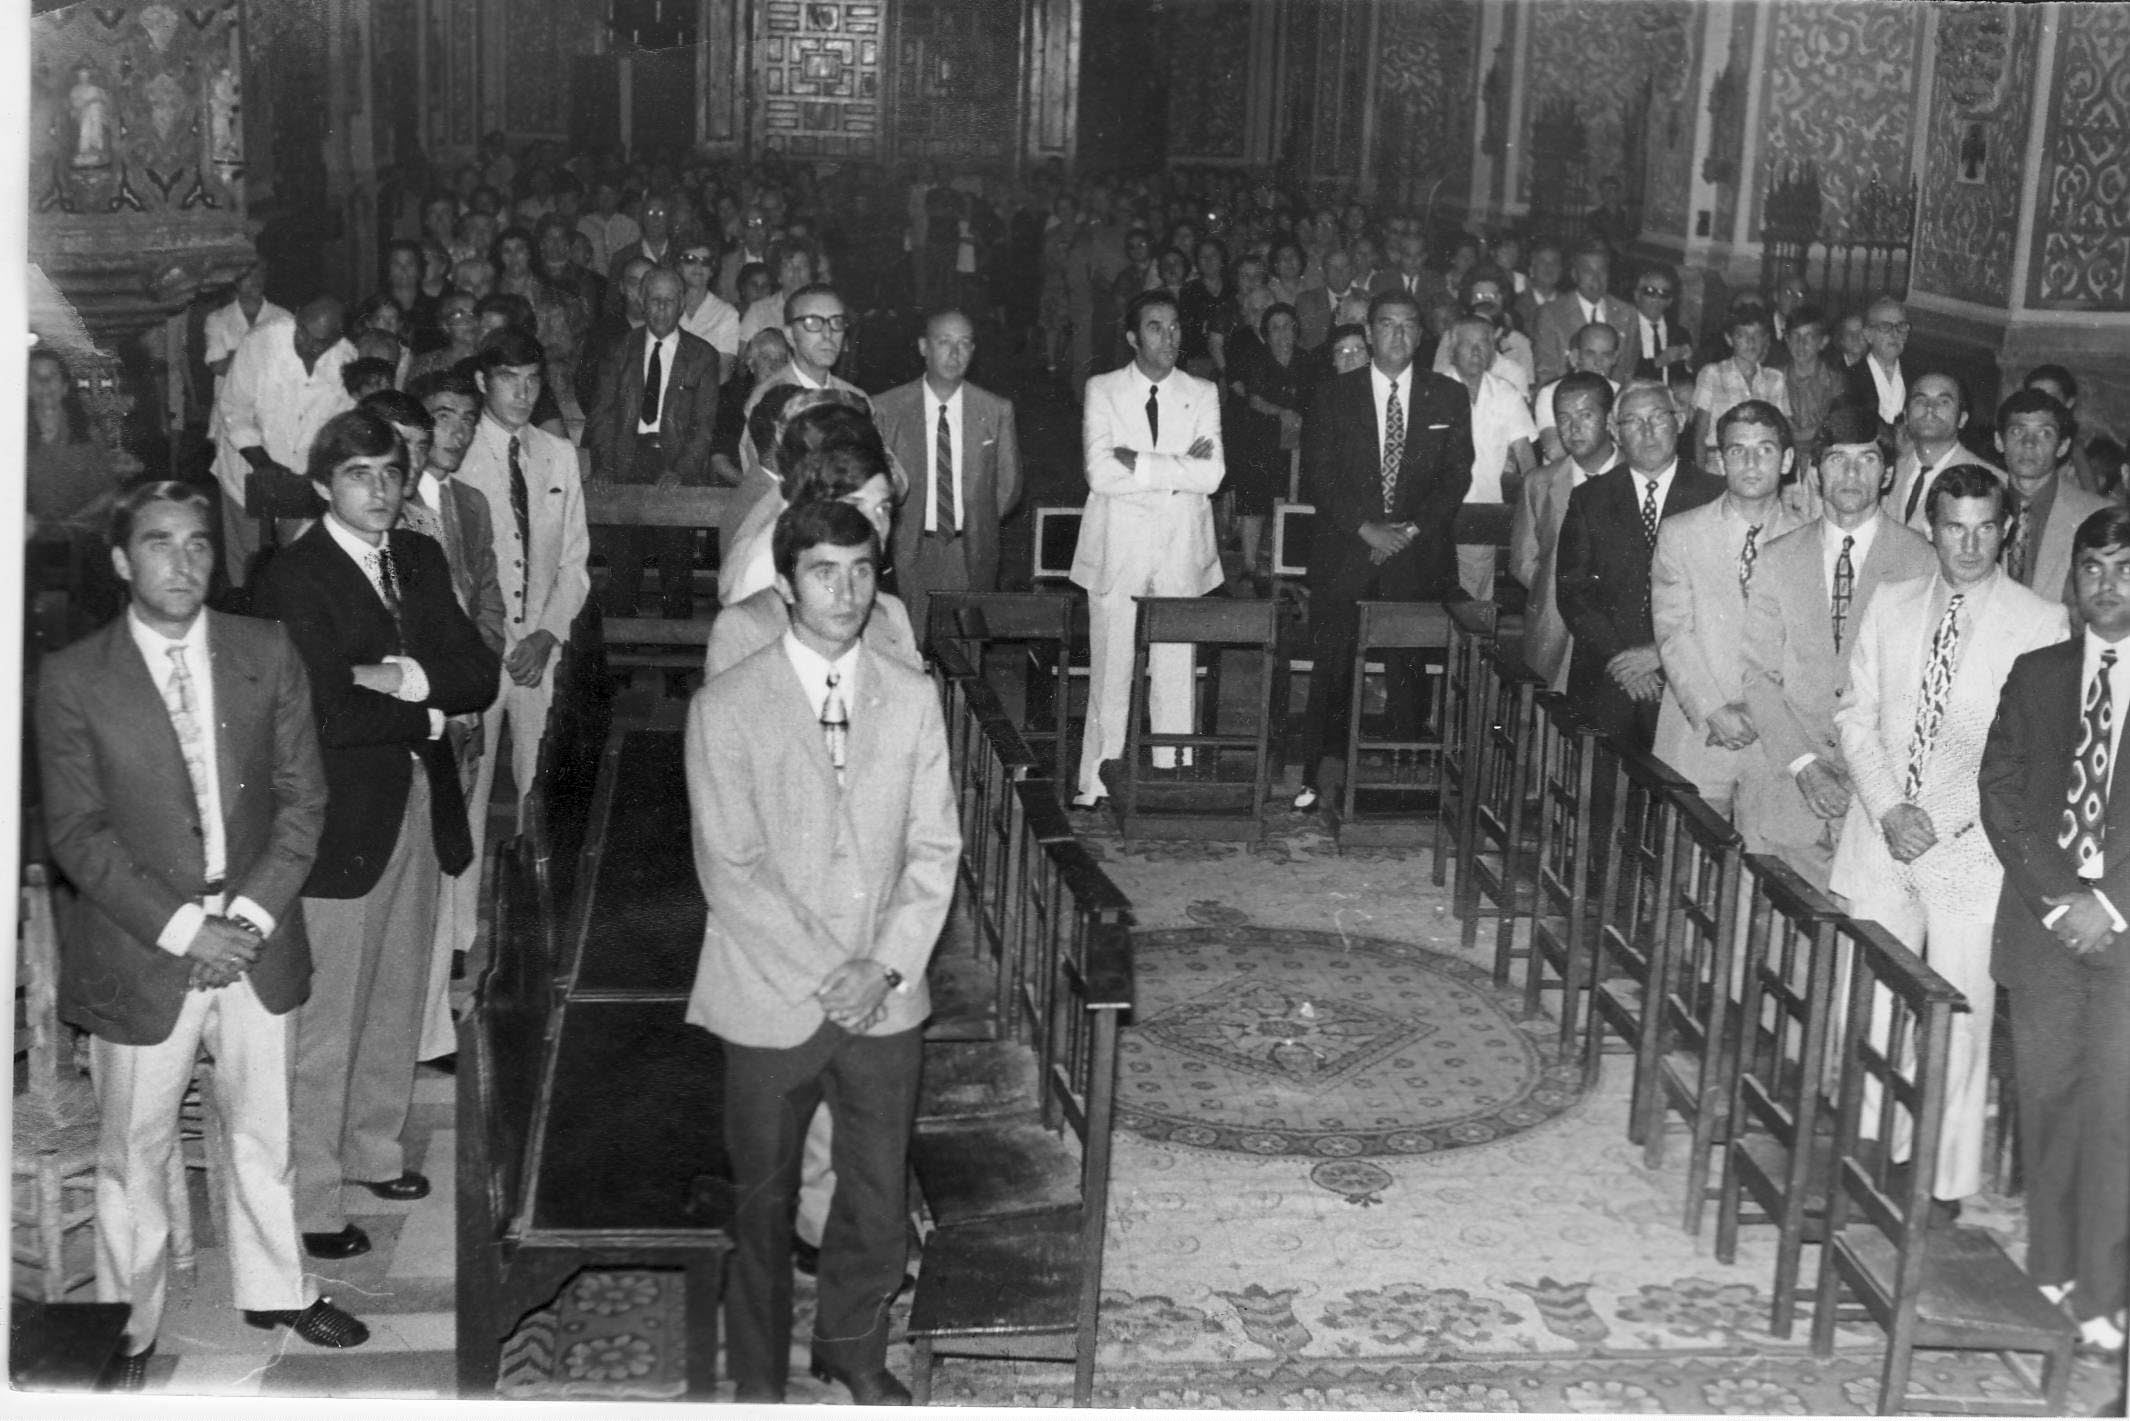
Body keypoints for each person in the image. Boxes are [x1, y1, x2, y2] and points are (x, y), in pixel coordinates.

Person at [36, 481, 370, 1388]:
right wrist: (191, 931)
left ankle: (276, 1286)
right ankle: (128, 1330)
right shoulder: (73, 678)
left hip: (258, 934)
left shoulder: (264, 649)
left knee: (265, 1129)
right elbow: (77, 833)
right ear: (120, 560)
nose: (181, 562)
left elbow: (304, 800)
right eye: (157, 544)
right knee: (132, 1153)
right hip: (144, 947)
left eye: (195, 545)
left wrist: (249, 918)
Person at [684, 498, 959, 1405]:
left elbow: (934, 851)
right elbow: (732, 869)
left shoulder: (912, 698)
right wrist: (829, 974)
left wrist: (881, 965)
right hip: (768, 993)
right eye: (823, 571)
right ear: (786, 582)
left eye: (862, 571)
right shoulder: (728, 704)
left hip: (886, 994)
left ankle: (853, 1348)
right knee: (760, 1206)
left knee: (876, 1199)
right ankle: (759, 1377)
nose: (846, 591)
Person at [250, 410, 500, 1260]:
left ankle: (371, 1150)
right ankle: (313, 1199)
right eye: (360, 473)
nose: (382, 488)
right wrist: (421, 701)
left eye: (392, 471)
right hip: (338, 819)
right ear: (323, 485)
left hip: (417, 800)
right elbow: (323, 710)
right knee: (328, 1020)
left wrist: (399, 677)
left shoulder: (419, 557)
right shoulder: (294, 577)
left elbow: (479, 673)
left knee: (397, 993)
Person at [1830, 463, 2068, 1222]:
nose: (1968, 544)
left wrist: (1956, 820)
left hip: (1972, 848)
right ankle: (1865, 1148)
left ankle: (1938, 1175)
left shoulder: (2039, 623)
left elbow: (2035, 755)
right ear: (1931, 526)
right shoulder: (1893, 604)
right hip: (1882, 834)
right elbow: (1854, 717)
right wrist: (1892, 809)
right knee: (1866, 1007)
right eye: (1954, 526)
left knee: (1960, 1012)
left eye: (1985, 527)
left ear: (2008, 529)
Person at [1979, 505, 2130, 1361]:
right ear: (2071, 583)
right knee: (2049, 1099)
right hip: (2044, 930)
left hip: (2126, 937)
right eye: (2093, 569)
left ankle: (2106, 1290)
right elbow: (2001, 791)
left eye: (2124, 567)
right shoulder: (2036, 674)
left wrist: (2105, 901)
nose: (2108, 585)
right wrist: (2057, 896)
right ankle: (2054, 1262)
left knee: (2117, 1110)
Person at [1737, 402, 1936, 890]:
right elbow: (1758, 676)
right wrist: (1805, 767)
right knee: (1778, 935)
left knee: (1859, 943)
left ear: (1887, 474)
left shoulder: (1921, 560)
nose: (1851, 473)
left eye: (1867, 459)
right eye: (1836, 459)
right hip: (1789, 780)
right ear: (1814, 472)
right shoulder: (1778, 559)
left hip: (1879, 793)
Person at [1291, 290, 1473, 809]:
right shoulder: (1332, 394)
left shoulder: (1447, 396)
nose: (1398, 335)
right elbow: (1319, 477)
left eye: (1409, 325)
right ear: (1368, 333)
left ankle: (1406, 778)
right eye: (1387, 325)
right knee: (1333, 666)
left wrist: (1410, 530)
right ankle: (1317, 779)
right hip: (1347, 551)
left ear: (1422, 334)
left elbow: (1455, 477)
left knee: (1409, 668)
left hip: (1417, 553)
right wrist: (1366, 529)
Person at [371, 378, 506, 1068]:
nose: (416, 463)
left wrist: (466, 681)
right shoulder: (374, 525)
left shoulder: (442, 518)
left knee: (433, 875)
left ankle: (426, 1031)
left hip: (444, 706)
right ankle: (401, 1033)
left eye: (421, 449)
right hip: (390, 726)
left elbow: (475, 604)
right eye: (405, 449)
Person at [1070, 290, 1227, 809]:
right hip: (1119, 549)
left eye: (1176, 327)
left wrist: (1138, 461)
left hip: (1181, 547)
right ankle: (1096, 781)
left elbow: (1212, 474)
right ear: (1134, 336)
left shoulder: (1202, 391)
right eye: (1156, 327)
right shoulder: (1103, 389)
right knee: (1111, 667)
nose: (1170, 337)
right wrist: (1176, 467)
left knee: (1177, 666)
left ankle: (1171, 779)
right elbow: (1099, 473)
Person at [455, 330, 591, 856]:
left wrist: (545, 635)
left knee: (542, 792)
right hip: (478, 653)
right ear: (482, 381)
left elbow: (574, 560)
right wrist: (499, 640)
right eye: (509, 379)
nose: (523, 393)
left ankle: (533, 921)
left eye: (533, 381)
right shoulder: (459, 456)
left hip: (539, 650)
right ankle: (457, 933)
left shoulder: (557, 454)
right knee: (469, 795)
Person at [1650, 401, 1808, 814]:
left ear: (1788, 459)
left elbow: (1809, 646)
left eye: (1766, 449)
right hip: (1698, 727)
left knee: (1763, 867)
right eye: (1738, 450)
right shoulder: (1681, 533)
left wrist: (1762, 715)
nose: (1752, 462)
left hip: (1777, 738)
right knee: (1686, 864)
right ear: (1721, 461)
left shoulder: (1810, 540)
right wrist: (1715, 711)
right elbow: (1673, 632)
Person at [1555, 381, 1724, 750]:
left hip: (1688, 677)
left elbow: (1721, 598)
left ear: (1679, 421)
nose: (1647, 431)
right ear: (1615, 431)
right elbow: (1574, 593)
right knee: (1601, 794)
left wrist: (1657, 655)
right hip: (1609, 675)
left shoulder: (1715, 495)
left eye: (1657, 418)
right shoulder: (1589, 499)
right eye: (1633, 421)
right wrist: (1622, 661)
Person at [871, 309, 1023, 641]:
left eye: (965, 343)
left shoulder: (994, 409)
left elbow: (1008, 488)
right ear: (924, 347)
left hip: (967, 549)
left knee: (965, 651)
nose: (956, 354)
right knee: (906, 648)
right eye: (945, 342)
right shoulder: (887, 409)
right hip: (909, 547)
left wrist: (974, 522)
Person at [585, 266, 721, 620]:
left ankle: (677, 670)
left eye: (670, 301)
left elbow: (703, 427)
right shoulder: (620, 350)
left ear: (682, 305)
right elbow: (602, 415)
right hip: (626, 462)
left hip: (673, 465)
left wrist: (681, 471)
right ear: (641, 302)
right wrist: (604, 466)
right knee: (622, 569)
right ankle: (620, 670)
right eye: (654, 300)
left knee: (676, 571)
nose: (661, 309)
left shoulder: (702, 355)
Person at [211, 297, 357, 588]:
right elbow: (234, 409)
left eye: (317, 341)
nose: (303, 342)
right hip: (247, 468)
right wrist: (264, 465)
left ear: (337, 336)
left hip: (303, 477)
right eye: (301, 330)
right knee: (249, 567)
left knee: (296, 567)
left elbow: (342, 428)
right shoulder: (261, 341)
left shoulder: (347, 360)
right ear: (298, 314)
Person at [1512, 371, 1621, 690]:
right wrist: (1567, 595)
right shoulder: (1539, 483)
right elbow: (1523, 561)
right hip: (1554, 623)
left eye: (1586, 415)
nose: (1573, 428)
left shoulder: (1634, 476)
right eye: (1564, 418)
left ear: (1609, 418)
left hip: (1621, 630)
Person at [1442, 313, 1538, 602]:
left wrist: (1534, 506)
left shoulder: (1506, 393)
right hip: (1437, 507)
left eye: (1483, 343)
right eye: (1467, 344)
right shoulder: (1431, 390)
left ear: (1493, 352)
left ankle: (1474, 646)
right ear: (1452, 350)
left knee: (1475, 593)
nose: (1476, 350)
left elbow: (1525, 454)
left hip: (1482, 507)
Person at [1997, 387, 2109, 610]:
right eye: (2018, 431)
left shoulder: (2097, 516)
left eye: (2044, 433)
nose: (2029, 443)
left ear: (2063, 446)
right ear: (1999, 441)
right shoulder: (1977, 505)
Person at [1230, 303, 1309, 580]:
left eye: (1288, 325)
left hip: (1299, 439)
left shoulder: (1306, 360)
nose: (1282, 333)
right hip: (1260, 436)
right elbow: (1254, 399)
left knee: (1295, 498)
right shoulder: (1258, 358)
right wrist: (1282, 412)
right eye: (1275, 328)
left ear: (1296, 329)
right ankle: (1250, 565)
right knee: (1255, 497)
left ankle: (1287, 565)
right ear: (1266, 333)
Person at [1886, 372, 1998, 533]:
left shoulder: (1988, 480)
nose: (1930, 408)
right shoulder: (1887, 472)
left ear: (1962, 419)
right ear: (1906, 416)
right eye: (1920, 400)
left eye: (1943, 401)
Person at [1689, 302, 1791, 467]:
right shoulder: (1712, 373)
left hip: (1762, 461)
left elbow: (1782, 433)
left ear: (1766, 339)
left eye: (1757, 335)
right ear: (1729, 339)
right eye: (1742, 335)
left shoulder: (1775, 379)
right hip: (1719, 461)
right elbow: (1700, 433)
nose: (1751, 341)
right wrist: (1701, 478)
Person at [1532, 239, 1636, 385]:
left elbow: (1627, 372)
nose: (1596, 278)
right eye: (1588, 271)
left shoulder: (1627, 313)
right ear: (1575, 275)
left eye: (1602, 271)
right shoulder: (1551, 313)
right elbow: (1546, 373)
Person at [1532, 321, 1622, 465]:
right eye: (1590, 354)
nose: (1598, 363)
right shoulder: (1551, 393)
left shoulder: (1621, 393)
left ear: (1615, 358)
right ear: (1575, 356)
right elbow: (1555, 451)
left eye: (1606, 355)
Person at [1843, 295, 1921, 430]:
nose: (1895, 334)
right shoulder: (1848, 378)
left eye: (1901, 326)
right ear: (1868, 334)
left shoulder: (1917, 378)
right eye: (1885, 327)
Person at [1778, 302, 1841, 456]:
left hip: (1822, 455)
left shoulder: (1835, 381)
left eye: (1810, 337)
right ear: (1787, 339)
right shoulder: (1774, 378)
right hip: (1785, 456)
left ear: (1823, 342)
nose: (1801, 344)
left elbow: (1836, 426)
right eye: (1795, 336)